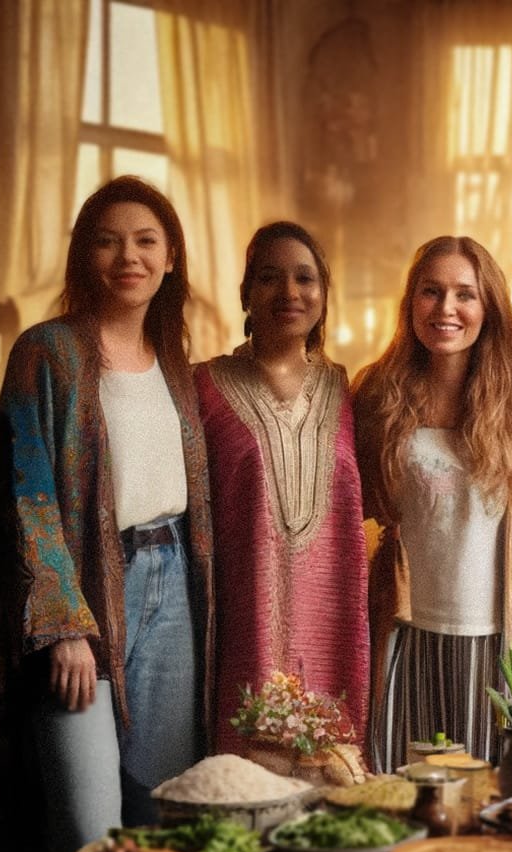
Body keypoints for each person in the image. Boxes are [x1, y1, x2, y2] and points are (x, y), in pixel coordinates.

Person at [0, 176, 213, 852]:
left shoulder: (177, 366)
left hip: (173, 585)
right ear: (85, 254)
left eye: (146, 239)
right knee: (89, 825)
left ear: (171, 257)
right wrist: (65, 624)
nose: (128, 256)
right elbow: (28, 495)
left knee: (159, 808)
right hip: (80, 599)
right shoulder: (47, 352)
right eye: (108, 239)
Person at [352, 237, 512, 768]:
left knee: (482, 791)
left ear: (489, 308)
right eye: (431, 292)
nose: (446, 309)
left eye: (465, 294)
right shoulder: (377, 394)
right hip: (404, 626)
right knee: (398, 781)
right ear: (411, 302)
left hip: (490, 634)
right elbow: (350, 512)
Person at [195, 222, 369, 757]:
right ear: (246, 293)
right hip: (242, 619)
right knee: (248, 786)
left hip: (335, 619)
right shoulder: (201, 385)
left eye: (304, 278)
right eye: (270, 278)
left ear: (323, 295)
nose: (289, 293)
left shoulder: (346, 387)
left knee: (333, 787)